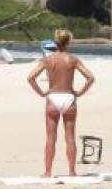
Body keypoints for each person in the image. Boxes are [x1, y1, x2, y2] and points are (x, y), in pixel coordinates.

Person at [26, 28, 96, 177]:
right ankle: (72, 171)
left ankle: (48, 171)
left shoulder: (48, 60)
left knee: (51, 138)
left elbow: (31, 77)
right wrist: (80, 92)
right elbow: (90, 77)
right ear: (68, 42)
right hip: (69, 98)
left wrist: (41, 92)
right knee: (70, 137)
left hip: (53, 97)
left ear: (55, 43)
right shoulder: (72, 59)